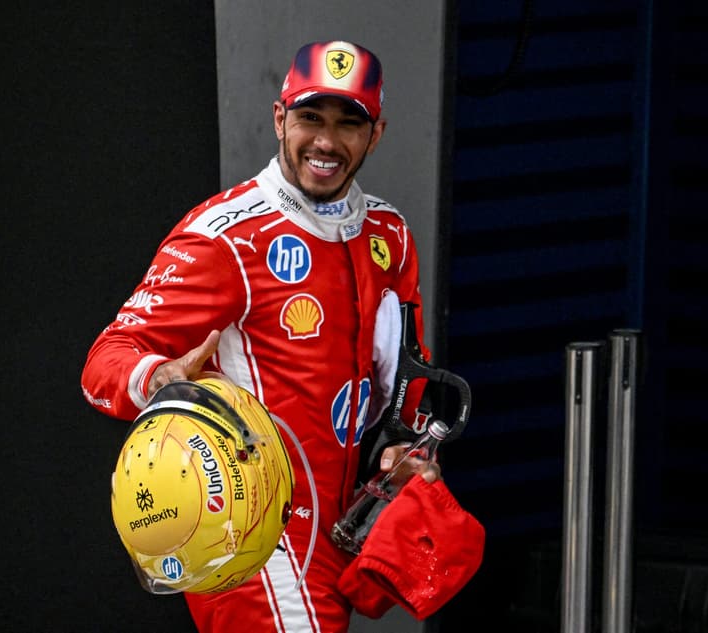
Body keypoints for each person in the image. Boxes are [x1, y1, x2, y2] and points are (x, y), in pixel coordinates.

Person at [82, 40, 458, 632]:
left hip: (343, 531)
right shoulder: (224, 238)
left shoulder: (389, 234)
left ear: (375, 134)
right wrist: (160, 380)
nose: (326, 141)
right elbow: (106, 359)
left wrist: (403, 449)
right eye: (310, 118)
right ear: (280, 118)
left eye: (348, 123)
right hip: (250, 534)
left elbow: (405, 378)